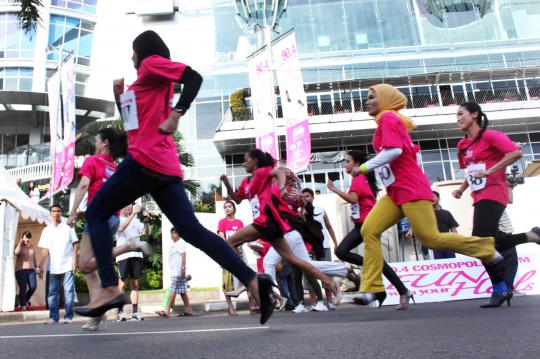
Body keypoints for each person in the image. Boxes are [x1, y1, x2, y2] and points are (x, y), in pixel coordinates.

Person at [77, 30, 277, 326]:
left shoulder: (150, 64)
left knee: (95, 211)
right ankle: (252, 280)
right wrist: (121, 100)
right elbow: (133, 133)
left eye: (133, 51)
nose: (131, 58)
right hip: (162, 167)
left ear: (142, 51)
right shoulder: (144, 83)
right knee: (193, 231)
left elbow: (193, 77)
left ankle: (108, 287)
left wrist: (177, 113)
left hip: (146, 162)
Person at [350, 84, 540, 308]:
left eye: (372, 97)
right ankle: (372, 288)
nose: (367, 101)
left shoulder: (389, 118)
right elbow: (411, 156)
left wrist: (363, 168)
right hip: (397, 192)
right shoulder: (458, 143)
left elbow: (395, 151)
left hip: (422, 190)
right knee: (369, 230)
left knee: (434, 238)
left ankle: (492, 255)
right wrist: (462, 188)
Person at [221, 150, 357, 312]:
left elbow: (278, 172)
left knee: (230, 243)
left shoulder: (262, 173)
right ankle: (328, 281)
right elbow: (237, 199)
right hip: (266, 225)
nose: (243, 164)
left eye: (246, 160)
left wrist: (282, 187)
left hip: (266, 221)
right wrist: (227, 183)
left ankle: (248, 279)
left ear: (255, 162)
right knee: (293, 261)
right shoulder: (245, 182)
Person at [67, 128, 148, 331]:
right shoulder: (114, 166)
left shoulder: (92, 161)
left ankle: (128, 245)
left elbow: (84, 186)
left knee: (84, 264)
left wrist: (73, 210)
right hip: (112, 217)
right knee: (90, 268)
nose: (95, 143)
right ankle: (98, 312)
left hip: (99, 218)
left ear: (104, 143)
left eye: (96, 139)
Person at [452, 102, 522, 300]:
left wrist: (491, 170)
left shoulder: (491, 136)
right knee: (486, 242)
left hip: (495, 192)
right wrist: (461, 189)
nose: (458, 119)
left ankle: (500, 288)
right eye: (456, 116)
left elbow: (515, 153)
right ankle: (530, 237)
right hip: (478, 195)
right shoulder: (461, 144)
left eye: (461, 114)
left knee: (479, 240)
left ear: (474, 114)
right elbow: (471, 170)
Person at [327, 150, 413, 310]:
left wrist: (333, 189)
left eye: (348, 161)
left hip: (367, 225)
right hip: (362, 224)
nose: (345, 164)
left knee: (342, 251)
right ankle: (401, 291)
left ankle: (400, 290)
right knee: (375, 261)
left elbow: (353, 198)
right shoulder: (361, 178)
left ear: (357, 164)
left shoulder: (358, 178)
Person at [301, 188, 340, 309]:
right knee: (310, 275)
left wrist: (335, 243)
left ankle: (329, 302)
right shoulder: (299, 212)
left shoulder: (321, 210)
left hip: (324, 246)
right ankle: (314, 303)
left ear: (312, 197)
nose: (305, 198)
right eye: (303, 197)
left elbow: (329, 227)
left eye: (307, 196)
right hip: (309, 248)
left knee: (326, 272)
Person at [38, 205, 78, 324]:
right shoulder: (46, 230)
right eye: (53, 211)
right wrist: (41, 266)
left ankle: (68, 317)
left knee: (68, 292)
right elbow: (45, 250)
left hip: (67, 264)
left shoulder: (68, 226)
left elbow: (75, 244)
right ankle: (53, 317)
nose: (56, 213)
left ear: (61, 213)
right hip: (53, 266)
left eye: (58, 211)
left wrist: (74, 260)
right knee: (52, 293)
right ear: (50, 214)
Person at [115, 203, 150, 321]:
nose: (129, 207)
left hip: (137, 254)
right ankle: (120, 313)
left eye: (130, 205)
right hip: (123, 254)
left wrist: (146, 220)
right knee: (122, 284)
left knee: (135, 285)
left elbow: (146, 233)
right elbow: (120, 229)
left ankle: (135, 313)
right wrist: (134, 213)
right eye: (126, 205)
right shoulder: (117, 219)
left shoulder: (135, 220)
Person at [406, 191, 459, 259]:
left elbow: (453, 229)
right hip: (432, 245)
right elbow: (416, 223)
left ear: (438, 198)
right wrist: (411, 231)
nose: (430, 199)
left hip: (447, 244)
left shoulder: (447, 213)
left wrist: (456, 241)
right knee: (436, 266)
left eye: (433, 196)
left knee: (451, 264)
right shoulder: (424, 213)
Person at [217, 200, 246, 315]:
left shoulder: (239, 222)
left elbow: (244, 236)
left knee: (246, 277)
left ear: (234, 208)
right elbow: (221, 237)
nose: (227, 208)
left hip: (240, 253)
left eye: (229, 206)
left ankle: (253, 305)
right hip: (227, 253)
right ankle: (230, 307)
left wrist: (239, 246)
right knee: (227, 281)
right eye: (225, 207)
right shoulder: (222, 222)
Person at [156, 228, 192, 317]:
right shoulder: (174, 245)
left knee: (173, 290)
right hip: (175, 271)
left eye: (175, 233)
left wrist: (183, 269)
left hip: (178, 271)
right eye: (171, 233)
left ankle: (167, 310)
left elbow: (183, 256)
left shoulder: (180, 244)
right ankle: (188, 309)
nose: (172, 235)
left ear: (179, 234)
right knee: (182, 291)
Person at [14, 231, 40, 310]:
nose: (26, 239)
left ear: (30, 238)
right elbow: (16, 252)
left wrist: (37, 267)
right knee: (23, 287)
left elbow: (34, 258)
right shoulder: (19, 246)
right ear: (22, 237)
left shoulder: (32, 246)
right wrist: (20, 242)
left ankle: (23, 300)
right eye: (25, 237)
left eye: (28, 237)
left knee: (33, 287)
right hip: (20, 270)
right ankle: (23, 305)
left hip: (31, 270)